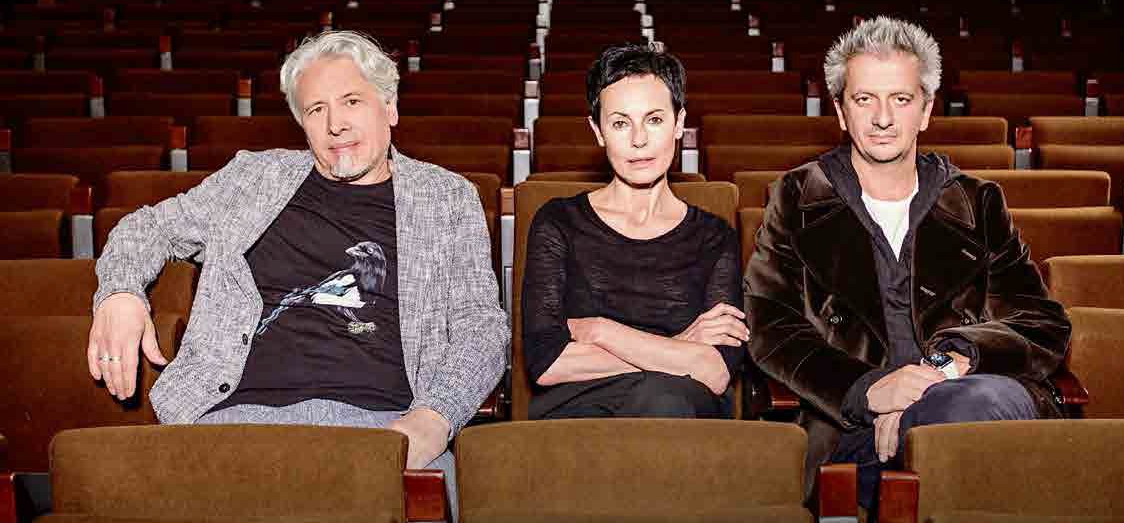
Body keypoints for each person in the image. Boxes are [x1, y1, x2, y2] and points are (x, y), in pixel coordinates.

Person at [87, 30, 508, 517]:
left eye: (352, 101)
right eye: (316, 109)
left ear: (389, 108)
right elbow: (147, 227)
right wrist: (121, 293)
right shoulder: (252, 178)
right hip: (233, 424)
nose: (335, 124)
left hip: (383, 430)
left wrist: (436, 418)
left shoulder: (446, 198)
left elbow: (482, 326)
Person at [744, 17, 1071, 517]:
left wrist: (947, 367)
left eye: (900, 99)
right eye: (864, 99)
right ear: (840, 112)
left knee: (970, 407)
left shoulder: (977, 202)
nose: (882, 118)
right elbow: (772, 327)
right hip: (853, 427)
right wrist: (871, 390)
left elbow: (1041, 323)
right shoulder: (797, 197)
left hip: (971, 402)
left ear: (926, 110)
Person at [522, 43, 746, 419]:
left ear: (679, 123)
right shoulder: (557, 222)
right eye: (620, 123)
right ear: (598, 131)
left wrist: (600, 331)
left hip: (680, 414)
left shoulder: (714, 237)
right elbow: (547, 363)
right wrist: (679, 346)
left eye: (654, 120)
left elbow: (715, 370)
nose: (638, 139)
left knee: (666, 402)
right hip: (579, 415)